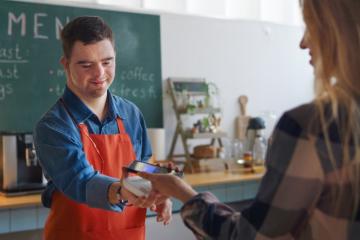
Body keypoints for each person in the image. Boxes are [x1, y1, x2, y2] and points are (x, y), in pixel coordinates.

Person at [139, 0, 360, 239]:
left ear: (339, 30)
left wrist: (183, 193)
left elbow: (249, 236)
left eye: (311, 27)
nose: (303, 42)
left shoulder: (310, 126)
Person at [34, 16, 171, 240]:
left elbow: (144, 165)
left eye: (107, 62)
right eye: (86, 65)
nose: (99, 74)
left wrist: (161, 187)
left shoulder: (131, 113)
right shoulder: (54, 125)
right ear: (66, 64)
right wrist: (121, 190)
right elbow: (81, 179)